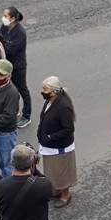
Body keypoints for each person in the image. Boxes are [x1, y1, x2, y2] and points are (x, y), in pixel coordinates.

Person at [37, 76, 77, 208]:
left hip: (59, 147)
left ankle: (65, 194)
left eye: (45, 89)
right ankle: (57, 190)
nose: (42, 91)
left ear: (53, 91)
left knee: (61, 172)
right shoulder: (50, 101)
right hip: (50, 146)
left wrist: (51, 137)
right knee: (53, 171)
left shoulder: (63, 107)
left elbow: (69, 129)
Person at [0, 7, 31, 128]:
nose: (3, 18)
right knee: (12, 89)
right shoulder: (5, 27)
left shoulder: (20, 32)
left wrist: (2, 45)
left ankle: (26, 115)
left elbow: (10, 50)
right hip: (8, 64)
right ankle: (14, 109)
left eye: (5, 16)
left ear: (12, 19)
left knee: (23, 89)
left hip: (18, 66)